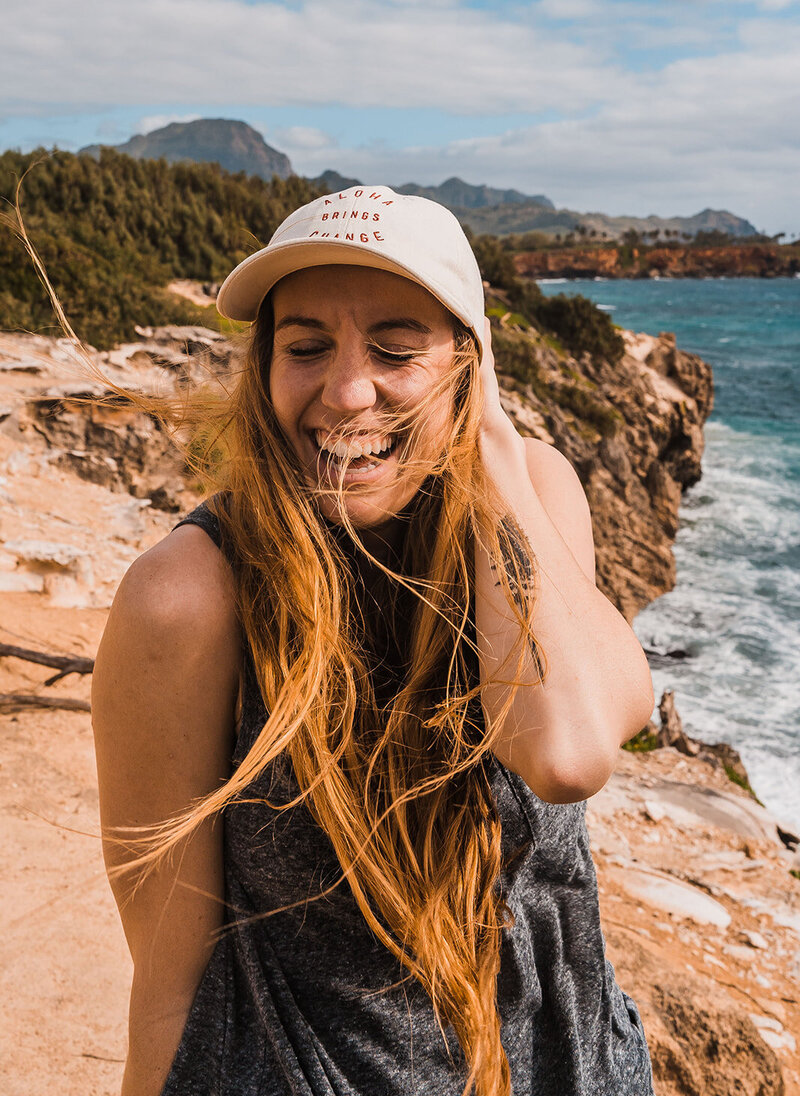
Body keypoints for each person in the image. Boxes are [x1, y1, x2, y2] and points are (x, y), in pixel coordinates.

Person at [91, 185, 657, 1096]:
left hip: (573, 1068)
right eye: (305, 346)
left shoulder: (534, 493)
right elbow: (169, 991)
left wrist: (496, 450)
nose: (347, 391)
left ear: (472, 368)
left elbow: (567, 747)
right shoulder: (190, 597)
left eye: (398, 349)